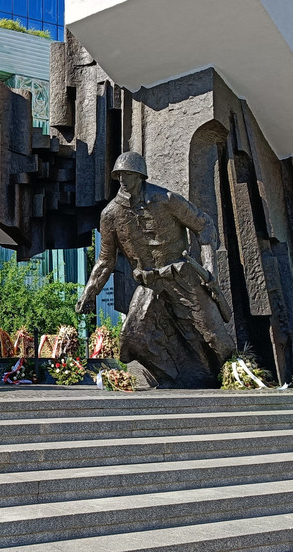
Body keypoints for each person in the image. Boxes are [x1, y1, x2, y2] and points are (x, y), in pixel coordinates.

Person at [76, 152, 234, 387]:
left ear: (140, 176)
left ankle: (234, 376)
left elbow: (205, 226)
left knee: (213, 335)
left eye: (127, 174)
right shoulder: (110, 215)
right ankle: (172, 378)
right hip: (150, 284)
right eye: (119, 174)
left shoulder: (166, 199)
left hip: (182, 277)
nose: (122, 179)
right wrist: (90, 291)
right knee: (133, 335)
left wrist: (210, 270)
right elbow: (105, 260)